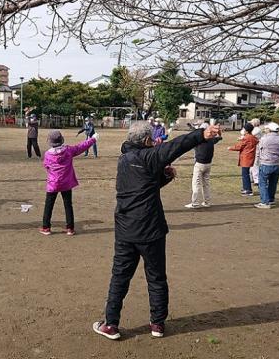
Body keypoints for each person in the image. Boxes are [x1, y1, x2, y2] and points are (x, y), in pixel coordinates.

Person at [93, 121, 221, 340]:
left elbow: (142, 186)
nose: (154, 142)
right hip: (150, 229)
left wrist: (164, 177)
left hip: (126, 229)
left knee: (120, 277)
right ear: (145, 141)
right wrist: (201, 134)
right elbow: (175, 146)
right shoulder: (149, 157)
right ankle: (157, 324)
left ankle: (111, 324)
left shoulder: (124, 159)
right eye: (151, 139)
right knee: (156, 277)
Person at [40, 130, 99, 236]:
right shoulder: (68, 150)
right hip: (66, 183)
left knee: (49, 205)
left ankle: (46, 227)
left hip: (53, 183)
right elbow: (81, 146)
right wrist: (93, 139)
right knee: (68, 205)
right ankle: (70, 228)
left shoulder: (48, 154)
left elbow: (46, 166)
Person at [185, 122, 222, 208]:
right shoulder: (212, 140)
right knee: (206, 184)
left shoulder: (199, 140)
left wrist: (191, 127)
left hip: (199, 164)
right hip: (208, 164)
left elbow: (193, 134)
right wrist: (218, 131)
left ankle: (195, 203)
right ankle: (207, 202)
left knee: (196, 183)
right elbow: (219, 137)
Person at [228, 123, 259, 196]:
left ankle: (248, 190)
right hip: (250, 156)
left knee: (245, 174)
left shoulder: (246, 138)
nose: (243, 130)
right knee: (246, 173)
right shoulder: (253, 137)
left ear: (247, 130)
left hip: (246, 158)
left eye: (244, 129)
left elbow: (240, 147)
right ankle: (246, 188)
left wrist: (230, 148)